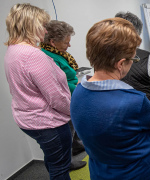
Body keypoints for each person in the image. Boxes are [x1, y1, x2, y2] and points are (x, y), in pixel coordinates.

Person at [70, 18, 150, 180]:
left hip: (100, 171)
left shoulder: (77, 93)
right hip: (137, 173)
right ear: (121, 64)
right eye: (133, 60)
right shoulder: (135, 100)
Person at [4, 3, 72, 179]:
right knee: (61, 168)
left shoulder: (12, 50)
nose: (45, 30)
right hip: (48, 123)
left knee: (53, 160)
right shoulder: (33, 55)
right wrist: (74, 112)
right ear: (31, 25)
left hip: (28, 119)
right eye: (42, 25)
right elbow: (55, 97)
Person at [41, 20, 87, 170]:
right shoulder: (47, 58)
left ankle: (77, 147)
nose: (69, 45)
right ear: (53, 42)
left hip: (71, 91)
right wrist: (78, 88)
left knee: (72, 127)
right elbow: (58, 84)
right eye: (66, 42)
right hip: (65, 98)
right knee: (67, 132)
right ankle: (67, 163)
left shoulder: (56, 52)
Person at [115, 11, 150, 144]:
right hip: (147, 113)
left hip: (116, 116)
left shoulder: (103, 57)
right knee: (149, 150)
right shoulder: (145, 56)